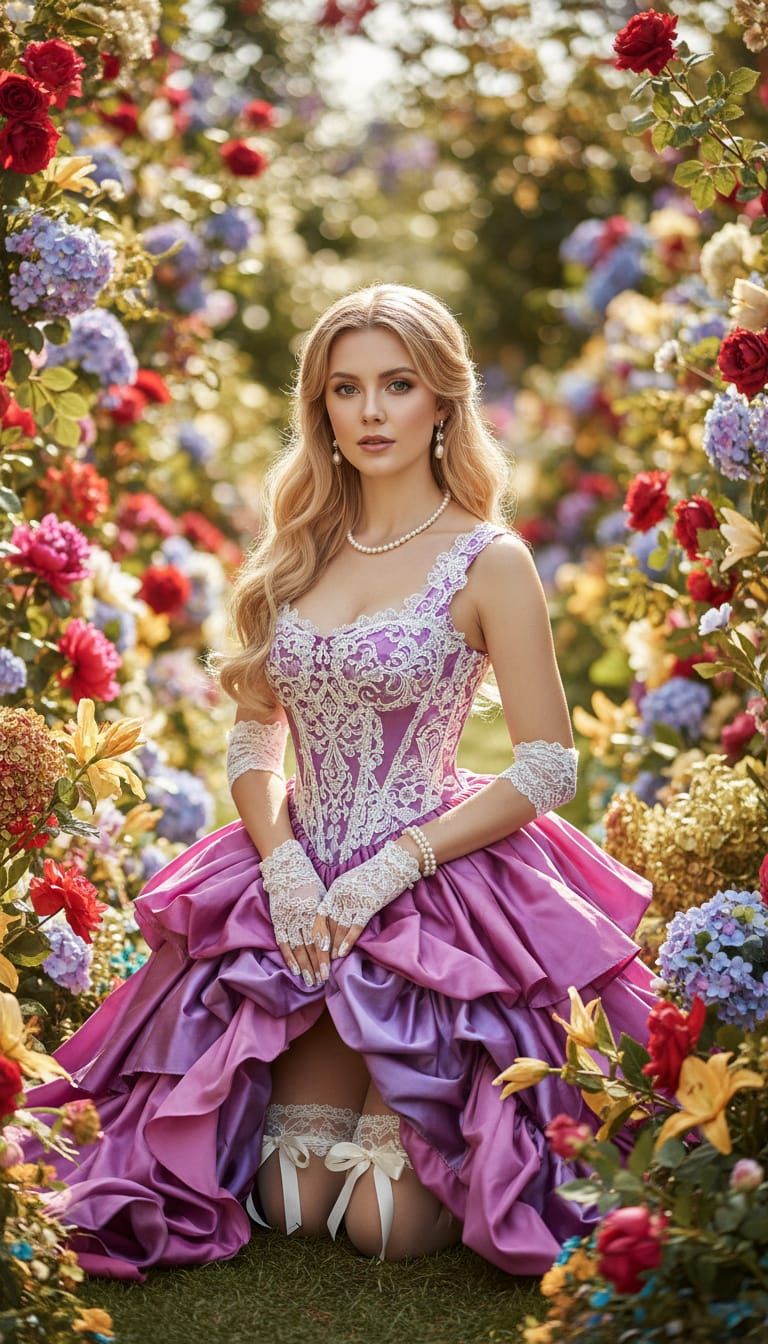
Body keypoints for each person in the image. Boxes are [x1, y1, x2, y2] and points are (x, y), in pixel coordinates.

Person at [23, 282, 658, 1283]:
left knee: (380, 1223)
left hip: (439, 892)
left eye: (397, 386)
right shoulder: (299, 553)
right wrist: (282, 865)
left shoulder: (491, 562)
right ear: (319, 407)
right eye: (346, 389)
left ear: (442, 403)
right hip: (296, 890)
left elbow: (547, 765)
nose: (370, 412)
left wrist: (389, 868)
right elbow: (251, 739)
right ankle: (329, 1051)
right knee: (289, 1198)